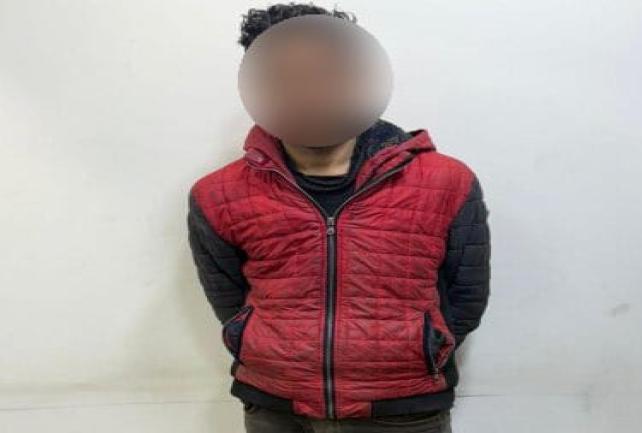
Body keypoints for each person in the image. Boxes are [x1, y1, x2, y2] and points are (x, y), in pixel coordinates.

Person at [187, 3, 491, 432]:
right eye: (287, 74)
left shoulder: (446, 181)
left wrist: (421, 349)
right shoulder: (218, 193)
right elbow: (228, 297)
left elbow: (466, 296)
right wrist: (265, 345)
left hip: (404, 409)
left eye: (327, 70)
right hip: (276, 408)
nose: (310, 88)